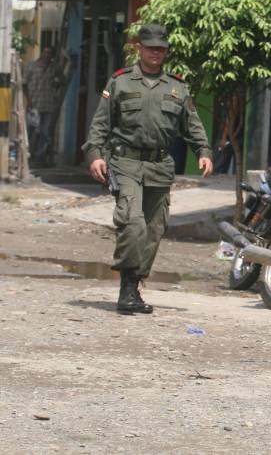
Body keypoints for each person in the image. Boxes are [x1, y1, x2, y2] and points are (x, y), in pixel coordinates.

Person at [83, 24, 213, 314]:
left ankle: (134, 284)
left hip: (160, 166)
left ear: (165, 51)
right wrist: (94, 154)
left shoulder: (176, 87)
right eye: (150, 47)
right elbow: (101, 123)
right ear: (138, 48)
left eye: (161, 49)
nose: (155, 53)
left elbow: (192, 124)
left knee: (154, 230)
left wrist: (203, 151)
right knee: (133, 223)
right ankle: (127, 288)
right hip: (125, 163)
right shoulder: (120, 82)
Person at [23, 46, 58, 166]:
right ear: (42, 53)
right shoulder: (31, 66)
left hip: (47, 105)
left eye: (50, 53)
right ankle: (26, 156)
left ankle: (39, 158)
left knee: (44, 133)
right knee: (31, 132)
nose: (47, 55)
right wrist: (29, 101)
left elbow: (59, 80)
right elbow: (24, 84)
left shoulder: (53, 68)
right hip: (34, 105)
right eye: (45, 52)